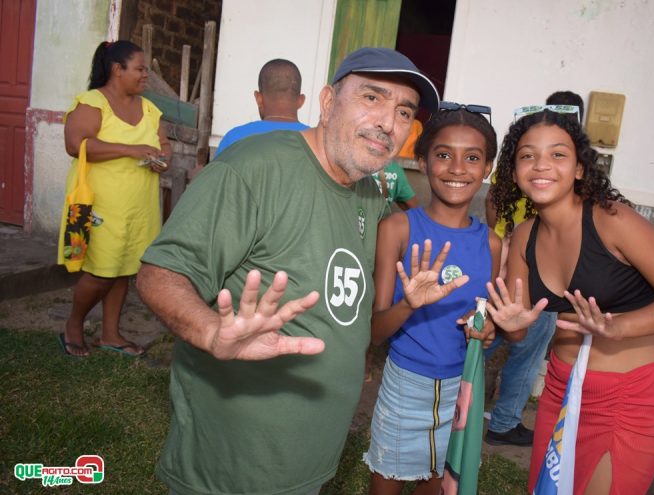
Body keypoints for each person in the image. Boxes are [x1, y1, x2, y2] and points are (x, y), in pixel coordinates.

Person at [135, 47, 439, 495]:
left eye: (403, 111)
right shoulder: (253, 170)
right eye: (372, 98)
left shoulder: (370, 192)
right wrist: (208, 331)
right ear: (327, 102)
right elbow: (160, 274)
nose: (388, 122)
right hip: (235, 466)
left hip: (310, 457)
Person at [488, 107, 654, 494]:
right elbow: (521, 333)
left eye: (558, 154)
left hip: (627, 398)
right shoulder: (524, 237)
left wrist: (620, 326)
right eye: (527, 155)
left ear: (579, 169)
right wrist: (514, 327)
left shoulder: (612, 220)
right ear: (514, 170)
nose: (541, 164)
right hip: (560, 387)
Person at [364, 104, 509, 495]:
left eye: (472, 158)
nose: (457, 168)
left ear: (488, 167)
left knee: (439, 486)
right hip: (404, 387)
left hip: (462, 388)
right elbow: (375, 333)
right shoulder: (396, 228)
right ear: (423, 162)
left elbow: (484, 327)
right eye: (443, 154)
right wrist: (409, 303)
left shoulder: (491, 245)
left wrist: (488, 334)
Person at [56, 40, 170, 357]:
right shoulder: (93, 103)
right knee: (99, 271)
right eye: (140, 68)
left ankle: (110, 335)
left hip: (138, 206)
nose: (145, 74)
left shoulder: (149, 108)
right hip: (97, 205)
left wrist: (164, 157)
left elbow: (163, 143)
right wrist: (131, 150)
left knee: (122, 269)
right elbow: (74, 144)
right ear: (117, 69)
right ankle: (73, 326)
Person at [483, 91, 585, 446]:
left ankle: (452, 407)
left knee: (478, 342)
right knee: (525, 354)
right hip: (536, 283)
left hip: (496, 273)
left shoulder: (510, 177)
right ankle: (504, 422)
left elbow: (494, 220)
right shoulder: (560, 183)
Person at [215, 58, 309, 157]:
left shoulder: (233, 139)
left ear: (259, 98)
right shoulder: (316, 143)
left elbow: (216, 172)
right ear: (301, 101)